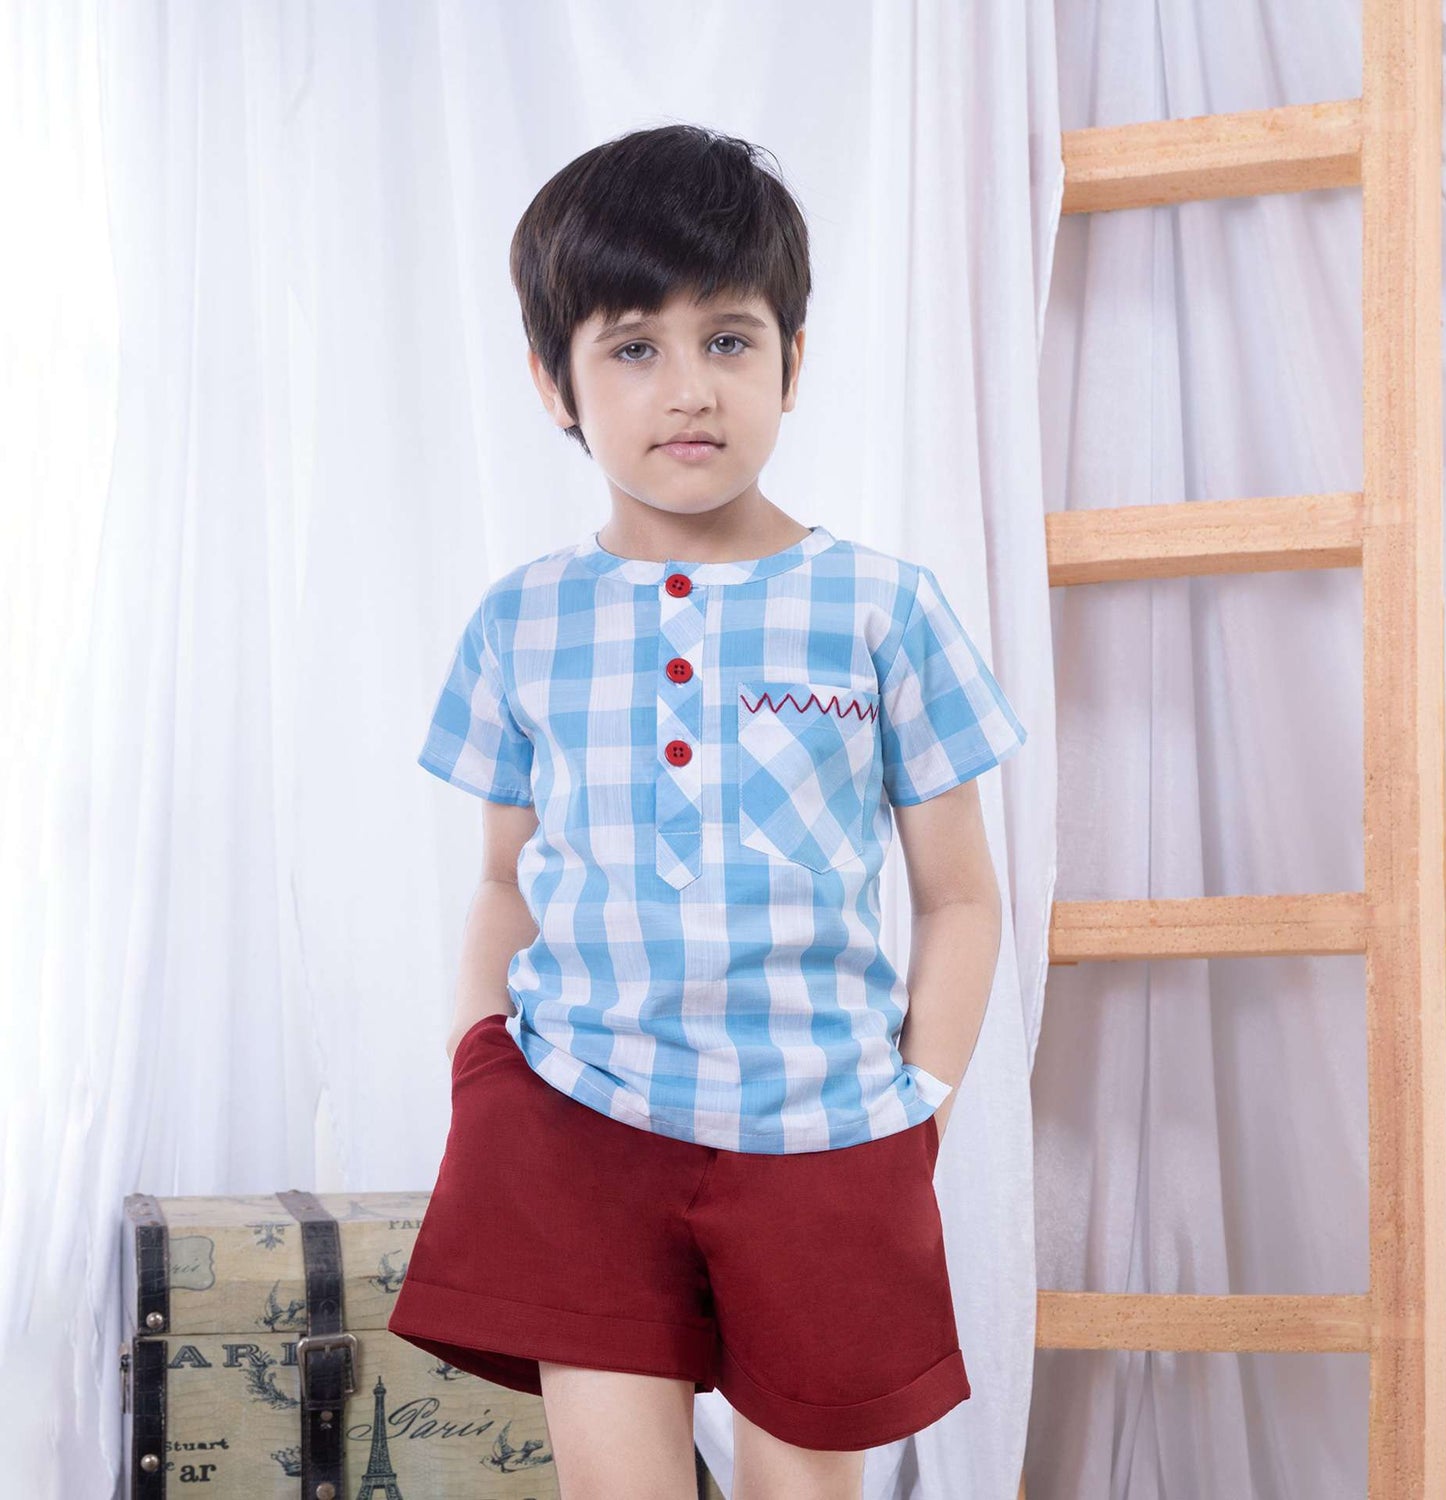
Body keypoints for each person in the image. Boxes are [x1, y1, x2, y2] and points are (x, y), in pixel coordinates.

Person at [387, 122, 1028, 1500]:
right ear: (555, 381)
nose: (689, 389)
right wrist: (476, 1058)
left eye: (729, 340)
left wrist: (918, 1100)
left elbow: (961, 893)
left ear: (795, 357)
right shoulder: (520, 620)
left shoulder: (884, 608)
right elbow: (505, 875)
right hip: (579, 1125)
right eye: (633, 346)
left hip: (827, 1132)